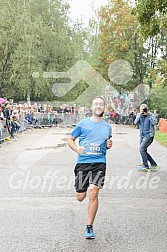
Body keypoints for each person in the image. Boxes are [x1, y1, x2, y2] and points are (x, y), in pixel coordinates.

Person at [67, 97, 112, 239]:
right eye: (96, 104)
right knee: (81, 197)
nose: (98, 106)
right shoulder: (83, 124)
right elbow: (70, 139)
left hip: (99, 163)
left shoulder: (107, 127)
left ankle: (89, 227)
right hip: (83, 163)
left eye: (101, 104)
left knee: (93, 192)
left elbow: (106, 144)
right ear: (92, 107)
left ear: (104, 107)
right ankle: (80, 189)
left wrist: (109, 145)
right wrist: (76, 149)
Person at [134, 104, 158, 172]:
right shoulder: (139, 115)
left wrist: (148, 115)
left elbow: (154, 123)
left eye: (144, 109)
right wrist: (139, 115)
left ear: (147, 109)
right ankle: (153, 164)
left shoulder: (151, 115)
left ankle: (145, 166)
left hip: (149, 135)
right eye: (141, 109)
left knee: (141, 149)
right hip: (142, 135)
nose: (143, 111)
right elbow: (135, 122)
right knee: (143, 150)